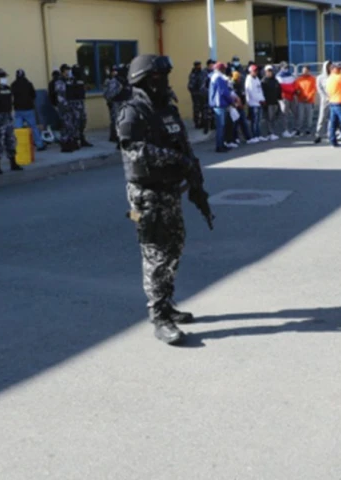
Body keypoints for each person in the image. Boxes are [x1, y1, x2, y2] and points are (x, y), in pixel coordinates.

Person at [118, 54, 209, 345]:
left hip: (170, 192)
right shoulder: (132, 112)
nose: (164, 83)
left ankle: (167, 303)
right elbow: (134, 151)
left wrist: (195, 180)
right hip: (146, 195)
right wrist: (174, 159)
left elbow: (182, 145)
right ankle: (159, 317)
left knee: (174, 248)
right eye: (158, 78)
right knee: (156, 254)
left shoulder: (166, 110)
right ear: (144, 81)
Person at [0, 68, 22, 174]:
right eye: (2, 77)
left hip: (7, 115)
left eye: (5, 77)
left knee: (10, 140)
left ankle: (13, 162)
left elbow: (10, 101)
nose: (4, 79)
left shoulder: (7, 88)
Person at [12, 69, 46, 152]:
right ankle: (39, 144)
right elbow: (34, 95)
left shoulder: (13, 84)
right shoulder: (28, 84)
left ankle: (19, 146)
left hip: (18, 109)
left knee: (18, 129)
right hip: (28, 109)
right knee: (33, 127)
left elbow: (12, 95)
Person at [208, 62, 234, 153]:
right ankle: (220, 146)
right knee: (221, 127)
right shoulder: (218, 78)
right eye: (224, 68)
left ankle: (221, 145)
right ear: (221, 69)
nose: (225, 70)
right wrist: (231, 101)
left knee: (221, 126)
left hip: (218, 104)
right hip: (219, 104)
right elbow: (224, 92)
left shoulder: (215, 77)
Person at [54, 64, 78, 152]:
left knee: (70, 126)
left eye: (69, 70)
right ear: (63, 71)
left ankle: (71, 143)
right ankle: (65, 145)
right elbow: (60, 96)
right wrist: (65, 106)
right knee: (65, 126)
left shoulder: (68, 80)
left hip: (70, 106)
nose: (68, 72)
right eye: (67, 70)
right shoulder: (59, 81)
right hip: (64, 108)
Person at [70, 65, 92, 148]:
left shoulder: (81, 80)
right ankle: (75, 141)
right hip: (75, 105)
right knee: (76, 123)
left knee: (83, 121)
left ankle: (82, 139)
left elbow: (87, 88)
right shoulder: (71, 81)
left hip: (81, 103)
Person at [230, 70, 254, 144]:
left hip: (241, 107)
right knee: (235, 124)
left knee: (243, 123)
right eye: (238, 77)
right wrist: (236, 104)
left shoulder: (240, 85)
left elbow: (243, 95)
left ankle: (248, 138)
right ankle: (235, 138)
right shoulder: (232, 85)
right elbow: (232, 97)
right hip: (235, 107)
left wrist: (243, 104)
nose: (240, 78)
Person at [244, 64, 266, 142]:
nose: (256, 72)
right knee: (255, 121)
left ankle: (259, 135)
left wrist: (263, 99)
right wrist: (260, 100)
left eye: (256, 71)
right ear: (250, 71)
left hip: (259, 102)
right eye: (254, 71)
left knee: (259, 121)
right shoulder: (249, 80)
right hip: (254, 103)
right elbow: (251, 93)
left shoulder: (256, 79)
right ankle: (255, 136)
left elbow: (260, 90)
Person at [276, 63, 298, 137]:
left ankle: (295, 129)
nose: (286, 68)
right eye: (284, 67)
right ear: (281, 67)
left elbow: (294, 84)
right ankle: (285, 130)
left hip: (292, 96)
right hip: (284, 97)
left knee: (295, 113)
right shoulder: (278, 76)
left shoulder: (291, 75)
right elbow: (282, 86)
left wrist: (293, 90)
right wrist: (292, 90)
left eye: (287, 67)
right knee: (285, 114)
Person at [260, 64, 282, 141]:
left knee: (274, 118)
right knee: (269, 119)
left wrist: (279, 99)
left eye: (270, 71)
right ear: (265, 72)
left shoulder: (275, 80)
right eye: (268, 71)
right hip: (268, 103)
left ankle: (271, 132)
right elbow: (262, 93)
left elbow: (279, 90)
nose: (269, 73)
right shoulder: (263, 81)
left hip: (275, 102)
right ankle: (270, 133)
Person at [295, 66, 317, 138]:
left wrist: (308, 97)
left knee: (309, 117)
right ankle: (299, 130)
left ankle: (308, 130)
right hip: (300, 100)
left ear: (309, 71)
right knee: (300, 116)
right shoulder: (299, 79)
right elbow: (296, 88)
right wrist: (298, 92)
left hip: (309, 101)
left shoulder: (313, 79)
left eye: (306, 71)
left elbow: (314, 90)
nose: (304, 72)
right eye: (303, 71)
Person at [314, 60, 332, 144]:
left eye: (330, 66)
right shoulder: (320, 77)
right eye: (328, 66)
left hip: (333, 99)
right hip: (325, 99)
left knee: (331, 118)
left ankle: (330, 133)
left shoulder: (333, 76)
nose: (329, 67)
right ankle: (318, 134)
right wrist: (324, 96)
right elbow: (319, 88)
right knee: (322, 117)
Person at [188, 61, 206, 129]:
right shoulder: (193, 74)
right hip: (195, 94)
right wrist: (193, 92)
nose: (199, 66)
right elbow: (191, 85)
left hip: (202, 93)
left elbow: (205, 81)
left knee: (203, 109)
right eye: (197, 65)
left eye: (199, 65)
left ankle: (203, 122)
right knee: (196, 109)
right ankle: (197, 123)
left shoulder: (202, 73)